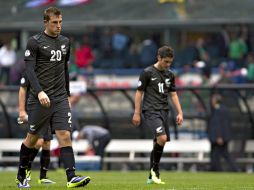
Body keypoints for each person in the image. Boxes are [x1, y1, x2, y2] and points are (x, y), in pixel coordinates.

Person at [15, 7, 90, 188]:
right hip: (39, 98)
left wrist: (67, 93)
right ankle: (21, 174)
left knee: (64, 134)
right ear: (46, 22)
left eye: (60, 22)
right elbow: (30, 71)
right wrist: (40, 91)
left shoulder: (65, 42)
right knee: (33, 138)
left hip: (60, 97)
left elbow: (64, 68)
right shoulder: (34, 42)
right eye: (54, 22)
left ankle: (71, 177)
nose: (58, 26)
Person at [132, 46, 183, 184]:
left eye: (170, 62)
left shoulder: (170, 75)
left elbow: (173, 94)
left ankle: (151, 175)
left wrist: (180, 112)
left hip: (164, 111)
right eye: (166, 61)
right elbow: (139, 93)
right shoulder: (147, 72)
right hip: (150, 111)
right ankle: (155, 170)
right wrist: (136, 113)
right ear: (158, 58)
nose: (168, 65)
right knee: (162, 138)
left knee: (158, 142)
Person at [18, 72, 55, 184]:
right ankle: (26, 169)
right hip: (34, 108)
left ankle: (43, 177)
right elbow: (22, 90)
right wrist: (22, 111)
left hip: (48, 109)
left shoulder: (51, 70)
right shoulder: (30, 70)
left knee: (46, 142)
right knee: (37, 141)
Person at [208, 94, 239, 172]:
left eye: (213, 99)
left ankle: (234, 169)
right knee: (216, 155)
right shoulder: (220, 109)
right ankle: (216, 169)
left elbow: (220, 125)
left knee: (224, 154)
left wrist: (219, 136)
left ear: (215, 101)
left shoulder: (219, 110)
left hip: (219, 137)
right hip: (218, 137)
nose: (212, 101)